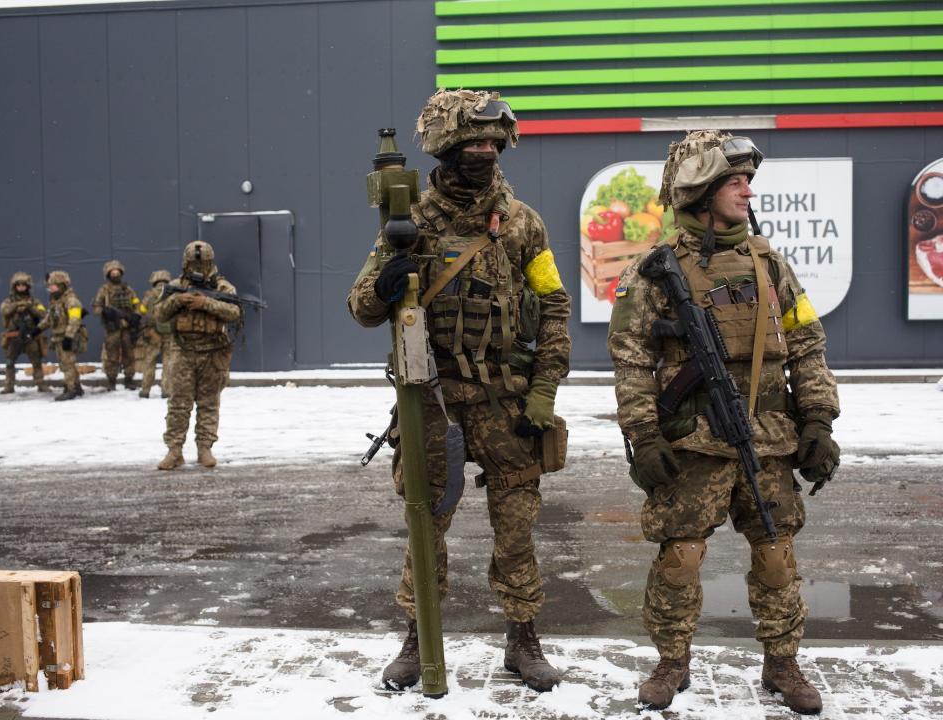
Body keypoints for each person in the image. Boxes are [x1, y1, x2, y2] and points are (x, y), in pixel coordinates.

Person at [607, 130, 840, 714]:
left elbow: (809, 345)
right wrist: (645, 437)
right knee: (680, 557)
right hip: (694, 443)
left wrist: (818, 421)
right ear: (701, 190)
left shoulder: (770, 264)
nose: (747, 189)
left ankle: (782, 664)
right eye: (734, 180)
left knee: (775, 555)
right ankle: (671, 663)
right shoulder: (655, 272)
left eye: (747, 179)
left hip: (770, 439)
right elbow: (631, 360)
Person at [347, 90, 571, 693]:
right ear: (445, 146)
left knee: (517, 526)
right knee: (426, 521)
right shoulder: (407, 222)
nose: (485, 151)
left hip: (506, 401)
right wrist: (387, 283)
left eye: (493, 142)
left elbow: (552, 307)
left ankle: (523, 641)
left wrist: (545, 389)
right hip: (432, 397)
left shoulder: (522, 222)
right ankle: (418, 639)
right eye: (472, 142)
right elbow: (362, 307)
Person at [155, 241, 240, 470]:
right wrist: (177, 301)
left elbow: (234, 312)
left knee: (209, 404)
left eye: (202, 263)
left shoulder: (222, 287)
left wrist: (206, 303)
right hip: (182, 353)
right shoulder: (175, 286)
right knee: (178, 404)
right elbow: (159, 315)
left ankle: (205, 448)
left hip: (212, 354)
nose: (198, 267)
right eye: (194, 263)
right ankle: (174, 450)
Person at [92, 259, 142, 391]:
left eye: (117, 272)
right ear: (108, 274)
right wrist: (105, 311)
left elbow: (137, 304)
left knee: (129, 354)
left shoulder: (128, 289)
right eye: (112, 272)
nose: (115, 274)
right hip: (112, 328)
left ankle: (129, 379)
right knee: (111, 355)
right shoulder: (104, 290)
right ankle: (111, 380)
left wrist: (136, 315)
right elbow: (96, 307)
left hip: (127, 327)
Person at [0, 272, 50, 394]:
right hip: (13, 337)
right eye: (18, 285)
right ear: (14, 286)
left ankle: (40, 384)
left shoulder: (34, 301)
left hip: (29, 336)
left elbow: (43, 313)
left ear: (28, 286)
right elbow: (4, 311)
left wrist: (30, 307)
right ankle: (9, 386)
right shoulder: (8, 301)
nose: (21, 287)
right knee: (9, 362)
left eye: (23, 285)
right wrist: (16, 306)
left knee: (36, 361)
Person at [41, 270, 88, 401]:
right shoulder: (55, 301)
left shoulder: (71, 300)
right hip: (58, 337)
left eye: (53, 285)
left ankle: (70, 389)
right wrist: (37, 329)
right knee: (67, 364)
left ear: (61, 285)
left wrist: (68, 337)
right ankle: (77, 387)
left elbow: (75, 320)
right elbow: (49, 319)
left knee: (67, 364)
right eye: (49, 285)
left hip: (67, 336)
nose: (50, 288)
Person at [136, 269, 174, 398]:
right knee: (168, 362)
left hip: (152, 333)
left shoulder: (149, 295)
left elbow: (140, 311)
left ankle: (145, 390)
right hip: (169, 332)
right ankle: (166, 390)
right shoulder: (172, 294)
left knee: (149, 362)